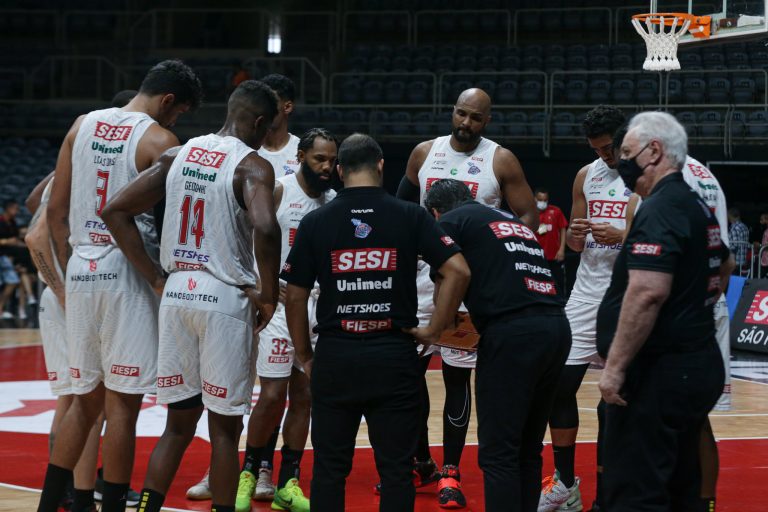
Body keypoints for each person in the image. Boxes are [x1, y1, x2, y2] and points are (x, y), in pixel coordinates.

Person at [101, 79, 281, 512]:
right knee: (224, 431)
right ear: (259, 122)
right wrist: (269, 293)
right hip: (223, 296)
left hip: (178, 292)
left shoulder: (178, 154)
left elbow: (114, 210)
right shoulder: (252, 165)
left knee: (177, 426)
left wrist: (153, 277)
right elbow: (266, 226)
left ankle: (146, 508)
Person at [37, 59, 202, 512]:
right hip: (127, 272)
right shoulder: (159, 140)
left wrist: (72, 271)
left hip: (81, 266)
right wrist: (156, 278)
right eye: (179, 111)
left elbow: (54, 212)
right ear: (168, 100)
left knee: (82, 404)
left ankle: (48, 506)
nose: (176, 120)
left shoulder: (81, 125)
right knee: (122, 408)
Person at [281, 133, 470, 512]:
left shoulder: (316, 221)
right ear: (381, 165)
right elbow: (458, 271)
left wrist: (305, 355)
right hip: (393, 356)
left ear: (339, 170)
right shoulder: (411, 215)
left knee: (330, 470)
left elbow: (295, 295)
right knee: (397, 471)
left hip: (336, 355)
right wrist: (435, 330)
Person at [396, 87, 538, 508]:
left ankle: (450, 472)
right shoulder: (424, 153)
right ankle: (421, 459)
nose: (466, 123)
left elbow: (528, 215)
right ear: (452, 111)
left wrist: (498, 252)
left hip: (469, 287)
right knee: (407, 377)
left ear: (487, 120)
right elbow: (401, 208)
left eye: (476, 118)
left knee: (457, 378)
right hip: (422, 282)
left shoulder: (501, 159)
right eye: (461, 113)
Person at [596, 111, 733, 511]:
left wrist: (615, 368)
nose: (621, 163)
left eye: (626, 154)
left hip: (660, 374)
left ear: (653, 152)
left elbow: (647, 293)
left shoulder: (660, 208)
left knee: (636, 494)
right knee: (680, 486)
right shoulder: (694, 204)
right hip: (695, 361)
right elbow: (725, 263)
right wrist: (692, 307)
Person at [420, 178, 570, 511]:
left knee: (498, 453)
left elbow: (450, 275)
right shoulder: (507, 220)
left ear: (435, 211)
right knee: (528, 449)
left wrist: (434, 329)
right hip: (557, 328)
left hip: (514, 335)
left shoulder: (450, 221)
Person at [234, 128, 337, 512]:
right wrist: (259, 284)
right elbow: (248, 239)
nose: (326, 167)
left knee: (304, 396)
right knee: (272, 395)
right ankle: (249, 472)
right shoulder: (278, 190)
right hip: (278, 306)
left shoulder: (334, 202)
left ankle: (287, 483)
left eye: (332, 161)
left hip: (315, 307)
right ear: (301, 158)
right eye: (319, 159)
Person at [539, 105, 631, 512]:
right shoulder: (585, 175)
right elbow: (576, 245)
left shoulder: (646, 173)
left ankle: (612, 492)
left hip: (627, 295)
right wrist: (575, 235)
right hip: (585, 293)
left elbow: (659, 235)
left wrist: (621, 234)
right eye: (597, 149)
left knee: (616, 397)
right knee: (558, 386)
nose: (604, 156)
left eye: (609, 147)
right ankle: (564, 484)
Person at [0, 199, 36, 320]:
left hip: (8, 257)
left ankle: (0, 309)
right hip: (3, 256)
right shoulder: (1, 221)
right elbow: (8, 241)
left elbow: (15, 240)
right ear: (8, 208)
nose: (17, 211)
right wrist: (6, 241)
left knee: (13, 281)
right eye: (15, 208)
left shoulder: (13, 222)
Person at [534, 187, 568, 297]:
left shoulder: (556, 211)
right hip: (538, 256)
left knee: (558, 284)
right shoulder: (530, 213)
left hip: (554, 256)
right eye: (540, 200)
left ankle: (560, 304)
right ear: (535, 199)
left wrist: (562, 249)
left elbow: (563, 229)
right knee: (539, 284)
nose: (542, 202)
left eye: (545, 200)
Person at [728, 207, 750, 274]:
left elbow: (734, 246)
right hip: (743, 260)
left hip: (736, 261)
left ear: (730, 216)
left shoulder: (734, 228)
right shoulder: (745, 227)